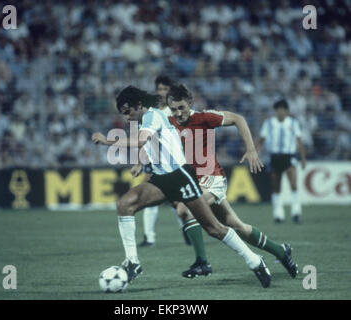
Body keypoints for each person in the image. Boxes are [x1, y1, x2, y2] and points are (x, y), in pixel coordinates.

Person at [92, 86, 272, 288]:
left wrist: (107, 140)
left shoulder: (152, 116)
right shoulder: (146, 120)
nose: (126, 118)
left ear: (139, 105)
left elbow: (141, 140)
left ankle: (255, 261)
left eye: (128, 112)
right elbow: (149, 144)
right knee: (125, 204)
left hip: (180, 177)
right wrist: (141, 162)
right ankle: (133, 262)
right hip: (161, 180)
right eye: (123, 114)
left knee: (214, 228)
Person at [165, 84, 299, 279]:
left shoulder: (204, 117)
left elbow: (238, 119)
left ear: (190, 104)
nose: (177, 113)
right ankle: (280, 251)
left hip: (213, 179)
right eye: (174, 109)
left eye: (181, 108)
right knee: (238, 227)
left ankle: (202, 262)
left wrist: (251, 149)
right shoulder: (169, 122)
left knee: (185, 209)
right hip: (196, 183)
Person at [139, 75, 192, 248]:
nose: (162, 93)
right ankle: (149, 237)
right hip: (154, 156)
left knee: (176, 199)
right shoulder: (151, 110)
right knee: (148, 195)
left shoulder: (174, 110)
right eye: (159, 89)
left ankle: (187, 230)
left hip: (173, 159)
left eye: (165, 89)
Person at [258, 99, 306, 224]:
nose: (280, 112)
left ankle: (296, 212)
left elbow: (299, 141)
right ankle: (278, 214)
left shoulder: (293, 123)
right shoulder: (268, 123)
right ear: (275, 111)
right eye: (278, 109)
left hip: (289, 156)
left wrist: (303, 158)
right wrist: (255, 153)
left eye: (282, 109)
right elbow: (261, 140)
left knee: (294, 185)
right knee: (276, 187)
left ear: (287, 111)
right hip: (274, 157)